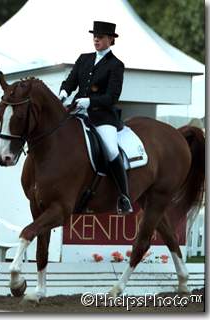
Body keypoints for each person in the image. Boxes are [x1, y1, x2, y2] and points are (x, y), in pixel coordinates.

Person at [58, 21, 133, 214]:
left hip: (102, 117)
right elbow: (70, 81)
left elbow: (112, 97)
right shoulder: (84, 59)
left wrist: (90, 102)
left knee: (110, 148)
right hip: (76, 111)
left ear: (110, 39)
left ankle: (124, 197)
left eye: (100, 37)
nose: (96, 39)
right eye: (95, 36)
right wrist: (64, 92)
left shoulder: (116, 65)